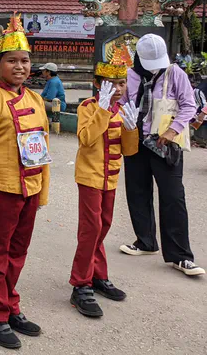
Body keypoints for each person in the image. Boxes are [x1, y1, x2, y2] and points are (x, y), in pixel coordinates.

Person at [0, 14, 49, 350]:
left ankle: (9, 304)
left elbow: (42, 146)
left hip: (29, 188)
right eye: (12, 61)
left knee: (18, 252)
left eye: (25, 60)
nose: (20, 67)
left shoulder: (36, 99)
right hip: (3, 191)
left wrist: (42, 190)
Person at [119, 34, 204, 276]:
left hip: (166, 144)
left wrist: (172, 129)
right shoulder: (130, 74)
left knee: (173, 197)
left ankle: (181, 256)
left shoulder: (174, 72)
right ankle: (145, 242)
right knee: (137, 192)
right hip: (136, 141)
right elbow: (123, 102)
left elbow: (189, 105)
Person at [69, 47, 139, 318]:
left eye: (122, 83)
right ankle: (80, 283)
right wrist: (102, 111)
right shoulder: (88, 108)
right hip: (89, 177)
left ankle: (98, 275)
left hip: (110, 178)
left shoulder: (122, 110)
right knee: (91, 228)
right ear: (98, 83)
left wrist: (131, 130)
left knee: (103, 226)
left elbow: (129, 151)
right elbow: (86, 139)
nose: (118, 89)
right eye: (111, 83)